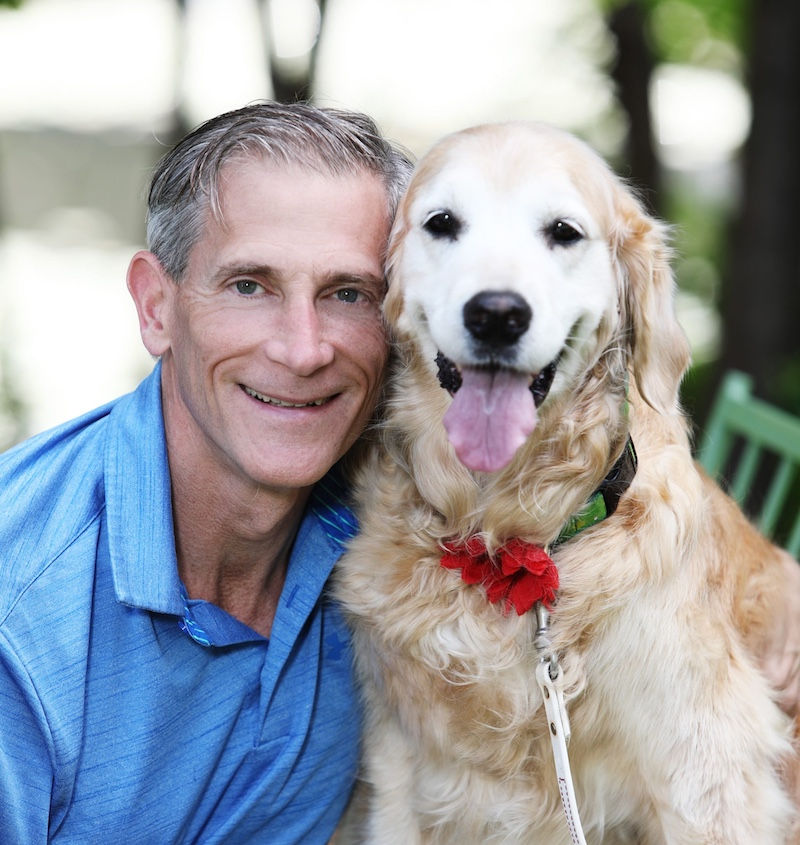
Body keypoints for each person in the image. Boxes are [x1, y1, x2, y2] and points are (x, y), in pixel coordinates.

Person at [0, 101, 412, 843]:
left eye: (348, 294)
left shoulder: (401, 556)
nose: (303, 349)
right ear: (157, 307)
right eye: (249, 285)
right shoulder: (21, 613)